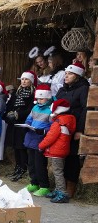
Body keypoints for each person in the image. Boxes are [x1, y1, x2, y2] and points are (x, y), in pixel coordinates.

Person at [55, 61, 90, 198]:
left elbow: (85, 110)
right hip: (60, 127)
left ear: (77, 75)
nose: (66, 76)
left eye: (70, 74)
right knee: (60, 156)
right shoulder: (62, 90)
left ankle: (70, 187)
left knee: (72, 158)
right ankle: (60, 187)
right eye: (66, 73)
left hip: (74, 128)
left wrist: (79, 130)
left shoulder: (83, 88)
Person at [38, 99, 76, 203]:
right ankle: (58, 190)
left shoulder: (58, 122)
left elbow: (50, 137)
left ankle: (62, 193)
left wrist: (41, 145)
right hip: (62, 150)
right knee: (58, 171)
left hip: (56, 151)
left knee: (57, 172)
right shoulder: (68, 120)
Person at [3, 71, 35, 181]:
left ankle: (23, 168)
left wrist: (18, 114)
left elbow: (30, 109)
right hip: (14, 123)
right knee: (15, 147)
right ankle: (17, 167)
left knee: (21, 147)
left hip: (23, 123)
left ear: (31, 81)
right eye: (22, 79)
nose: (24, 81)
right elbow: (10, 105)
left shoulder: (33, 94)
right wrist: (9, 113)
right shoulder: (17, 93)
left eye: (26, 79)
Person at [23, 84, 53, 197]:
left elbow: (52, 126)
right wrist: (26, 126)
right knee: (31, 163)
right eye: (38, 98)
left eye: (42, 98)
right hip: (31, 138)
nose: (39, 100)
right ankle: (34, 182)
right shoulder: (35, 107)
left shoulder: (50, 110)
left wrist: (44, 131)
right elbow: (29, 119)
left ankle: (44, 185)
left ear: (48, 97)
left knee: (40, 164)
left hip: (40, 140)